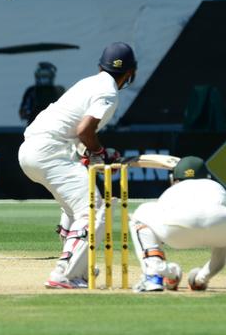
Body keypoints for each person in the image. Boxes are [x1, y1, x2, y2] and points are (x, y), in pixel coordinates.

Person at [18, 42, 137, 289]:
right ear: (130, 72)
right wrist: (99, 151)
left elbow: (75, 132)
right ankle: (66, 273)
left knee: (76, 210)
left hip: (32, 149)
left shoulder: (88, 83)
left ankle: (78, 269)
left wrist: (96, 152)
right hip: (51, 152)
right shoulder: (108, 92)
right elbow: (84, 130)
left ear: (100, 66)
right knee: (95, 209)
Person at [129, 156, 226, 292]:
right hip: (221, 229)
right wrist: (200, 279)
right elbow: (221, 252)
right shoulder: (215, 186)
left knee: (140, 215)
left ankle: (153, 277)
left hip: (176, 233)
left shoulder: (171, 191)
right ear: (207, 177)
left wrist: (171, 273)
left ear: (173, 180)